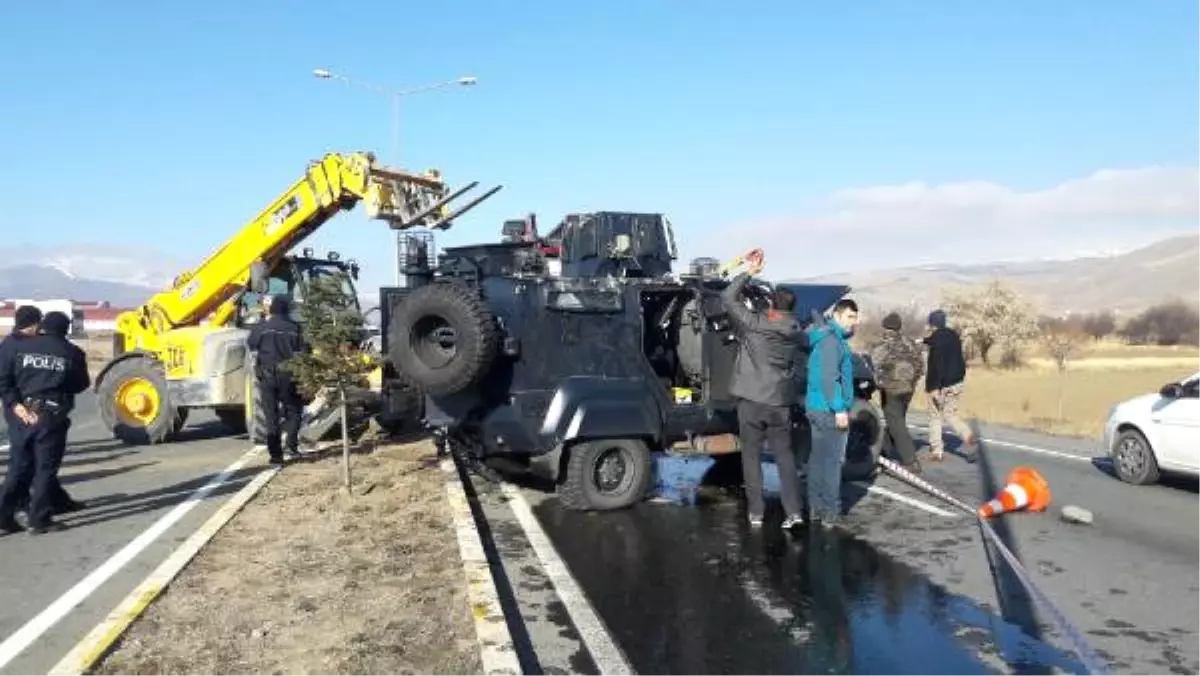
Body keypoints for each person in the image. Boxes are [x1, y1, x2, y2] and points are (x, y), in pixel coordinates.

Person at [720, 249, 806, 531]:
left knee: (751, 456)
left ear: (771, 303)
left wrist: (748, 272)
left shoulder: (755, 324)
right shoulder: (795, 330)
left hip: (752, 401)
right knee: (785, 457)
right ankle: (794, 512)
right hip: (780, 403)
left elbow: (727, 297)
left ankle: (756, 512)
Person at [0, 309, 91, 534]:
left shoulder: (19, 346)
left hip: (22, 413)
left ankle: (3, 515)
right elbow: (81, 384)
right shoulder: (72, 352)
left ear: (43, 326)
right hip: (51, 415)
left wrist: (16, 404)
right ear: (66, 329)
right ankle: (39, 519)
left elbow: (7, 379)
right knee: (45, 468)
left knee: (18, 468)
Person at [804, 298, 860, 528]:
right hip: (828, 409)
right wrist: (839, 408)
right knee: (831, 462)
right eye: (849, 317)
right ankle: (830, 510)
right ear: (836, 315)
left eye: (855, 318)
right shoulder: (831, 342)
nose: (853, 322)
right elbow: (829, 378)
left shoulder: (827, 337)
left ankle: (816, 507)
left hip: (817, 406)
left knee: (818, 459)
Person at [247, 294, 306, 465]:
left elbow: (251, 344)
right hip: (289, 376)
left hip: (267, 376)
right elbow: (303, 352)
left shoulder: (262, 327)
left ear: (272, 309)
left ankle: (275, 455)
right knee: (294, 411)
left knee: (270, 416)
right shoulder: (295, 328)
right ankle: (291, 447)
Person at [869, 312, 925, 473]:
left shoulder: (884, 344)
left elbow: (874, 364)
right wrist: (912, 382)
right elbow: (921, 366)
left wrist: (879, 382)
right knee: (896, 421)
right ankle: (884, 454)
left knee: (896, 423)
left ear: (885, 326)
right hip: (908, 388)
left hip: (891, 389)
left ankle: (910, 460)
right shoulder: (910, 343)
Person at [923, 309, 977, 463]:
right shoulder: (953, 336)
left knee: (935, 416)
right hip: (957, 382)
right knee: (950, 414)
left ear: (932, 324)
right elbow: (935, 340)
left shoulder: (936, 343)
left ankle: (936, 451)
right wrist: (924, 341)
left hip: (941, 384)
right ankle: (967, 435)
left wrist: (934, 388)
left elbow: (936, 366)